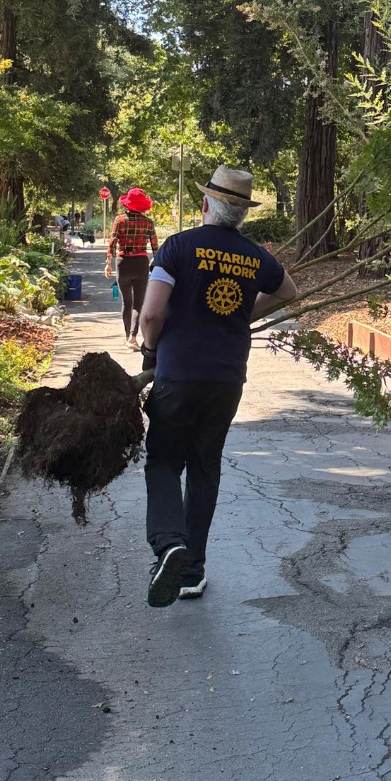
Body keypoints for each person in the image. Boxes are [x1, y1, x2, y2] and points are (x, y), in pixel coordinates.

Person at [138, 166, 296, 608]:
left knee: (163, 462)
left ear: (206, 203)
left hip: (177, 375)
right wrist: (244, 314)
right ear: (242, 213)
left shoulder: (177, 247)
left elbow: (151, 314)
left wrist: (150, 351)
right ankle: (191, 572)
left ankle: (169, 544)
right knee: (205, 468)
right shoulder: (256, 257)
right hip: (227, 381)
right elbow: (288, 291)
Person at [104, 187, 159, 350]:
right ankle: (133, 338)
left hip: (123, 263)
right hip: (141, 263)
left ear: (127, 204)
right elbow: (155, 246)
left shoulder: (119, 220)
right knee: (138, 303)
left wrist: (108, 262)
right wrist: (157, 262)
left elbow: (112, 242)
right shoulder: (148, 222)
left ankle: (126, 336)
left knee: (126, 302)